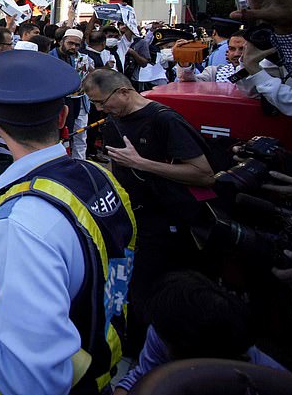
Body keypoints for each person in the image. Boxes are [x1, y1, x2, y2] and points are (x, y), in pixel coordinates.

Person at [0, 50, 137, 395]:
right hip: (99, 359)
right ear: (63, 116)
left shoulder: (22, 221)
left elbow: (29, 376)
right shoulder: (99, 176)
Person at [82, 68, 215, 354]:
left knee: (157, 291)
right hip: (131, 221)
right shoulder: (111, 123)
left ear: (124, 91)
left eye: (102, 102)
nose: (99, 109)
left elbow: (204, 174)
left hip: (168, 225)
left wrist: (142, 163)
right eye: (94, 105)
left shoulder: (164, 120)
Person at [113, 271, 289, 393]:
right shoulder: (163, 328)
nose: (156, 336)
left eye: (165, 339)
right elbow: (140, 375)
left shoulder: (266, 380)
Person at [49, 29, 94, 160]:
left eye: (77, 45)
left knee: (79, 135)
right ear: (61, 41)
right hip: (58, 102)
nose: (73, 47)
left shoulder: (79, 58)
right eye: (70, 43)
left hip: (77, 101)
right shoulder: (51, 57)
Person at [175, 31, 246, 83]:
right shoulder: (214, 72)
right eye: (232, 49)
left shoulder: (256, 74)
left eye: (242, 49)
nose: (236, 54)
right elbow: (189, 83)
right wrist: (184, 61)